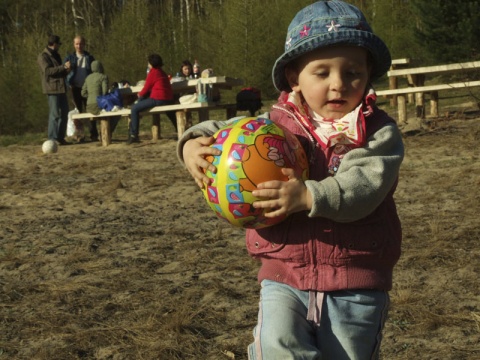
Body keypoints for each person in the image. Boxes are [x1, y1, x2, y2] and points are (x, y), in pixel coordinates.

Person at [177, 1, 404, 359]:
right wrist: (192, 144)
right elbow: (225, 131)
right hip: (284, 273)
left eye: (352, 72)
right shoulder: (275, 126)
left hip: (355, 279)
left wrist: (310, 196)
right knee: (275, 347)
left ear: (368, 75)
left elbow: (367, 184)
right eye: (322, 72)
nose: (338, 84)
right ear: (294, 78)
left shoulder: (376, 133)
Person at [127, 53, 176, 144]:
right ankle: (179, 129)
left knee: (134, 109)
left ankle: (134, 134)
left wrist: (139, 95)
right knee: (170, 112)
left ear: (151, 63)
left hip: (158, 98)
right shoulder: (162, 72)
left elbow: (146, 88)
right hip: (168, 98)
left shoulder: (153, 72)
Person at [37, 34, 71, 145]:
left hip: (61, 88)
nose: (59, 46)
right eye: (59, 44)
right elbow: (48, 71)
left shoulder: (57, 55)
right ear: (54, 44)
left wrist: (67, 70)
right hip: (52, 88)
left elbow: (59, 71)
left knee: (65, 112)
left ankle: (60, 137)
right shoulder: (43, 56)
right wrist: (63, 67)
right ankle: (52, 138)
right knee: (54, 114)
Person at [64, 35, 98, 141]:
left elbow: (94, 72)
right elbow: (63, 72)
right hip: (74, 88)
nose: (79, 46)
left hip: (87, 88)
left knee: (91, 110)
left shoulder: (89, 58)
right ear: (74, 45)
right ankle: (79, 135)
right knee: (77, 112)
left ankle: (94, 134)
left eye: (81, 43)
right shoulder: (69, 58)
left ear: (84, 44)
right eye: (77, 44)